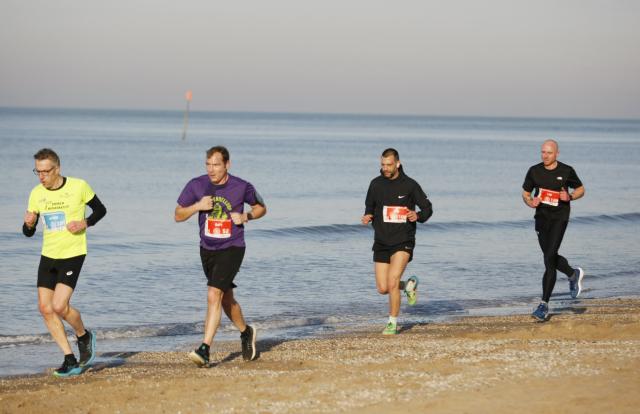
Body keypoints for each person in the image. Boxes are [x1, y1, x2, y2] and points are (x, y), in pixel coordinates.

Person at [175, 146, 266, 367]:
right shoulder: (196, 185)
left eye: (216, 164)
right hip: (207, 249)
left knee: (213, 294)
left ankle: (205, 349)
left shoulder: (242, 186)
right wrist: (197, 206)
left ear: (227, 164)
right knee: (225, 299)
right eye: (208, 164)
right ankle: (246, 331)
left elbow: (261, 208)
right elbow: (177, 215)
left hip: (232, 247)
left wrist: (246, 216)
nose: (211, 169)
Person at [23, 148, 106, 377]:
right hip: (48, 255)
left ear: (57, 169)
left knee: (59, 306)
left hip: (73, 253)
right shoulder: (36, 194)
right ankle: (69, 359)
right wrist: (29, 224)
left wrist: (85, 223)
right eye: (37, 172)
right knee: (45, 308)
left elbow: (101, 210)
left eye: (45, 171)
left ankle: (83, 335)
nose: (41, 176)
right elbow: (28, 232)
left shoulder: (78, 186)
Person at [362, 148, 433, 335]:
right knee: (383, 287)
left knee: (392, 281)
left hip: (403, 240)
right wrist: (368, 215)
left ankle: (392, 323)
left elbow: (427, 208)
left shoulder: (410, 185)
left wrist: (416, 215)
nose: (385, 168)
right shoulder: (375, 184)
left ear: (398, 164)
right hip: (381, 240)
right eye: (382, 165)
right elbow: (370, 205)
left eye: (389, 165)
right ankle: (408, 285)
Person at [522, 139, 585, 322]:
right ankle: (574, 274)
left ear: (557, 153)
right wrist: (530, 202)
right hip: (541, 220)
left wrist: (570, 196)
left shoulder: (566, 170)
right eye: (543, 152)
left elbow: (581, 189)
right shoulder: (534, 171)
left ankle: (544, 305)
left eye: (549, 153)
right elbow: (525, 194)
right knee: (549, 256)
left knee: (549, 259)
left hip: (559, 218)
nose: (545, 156)